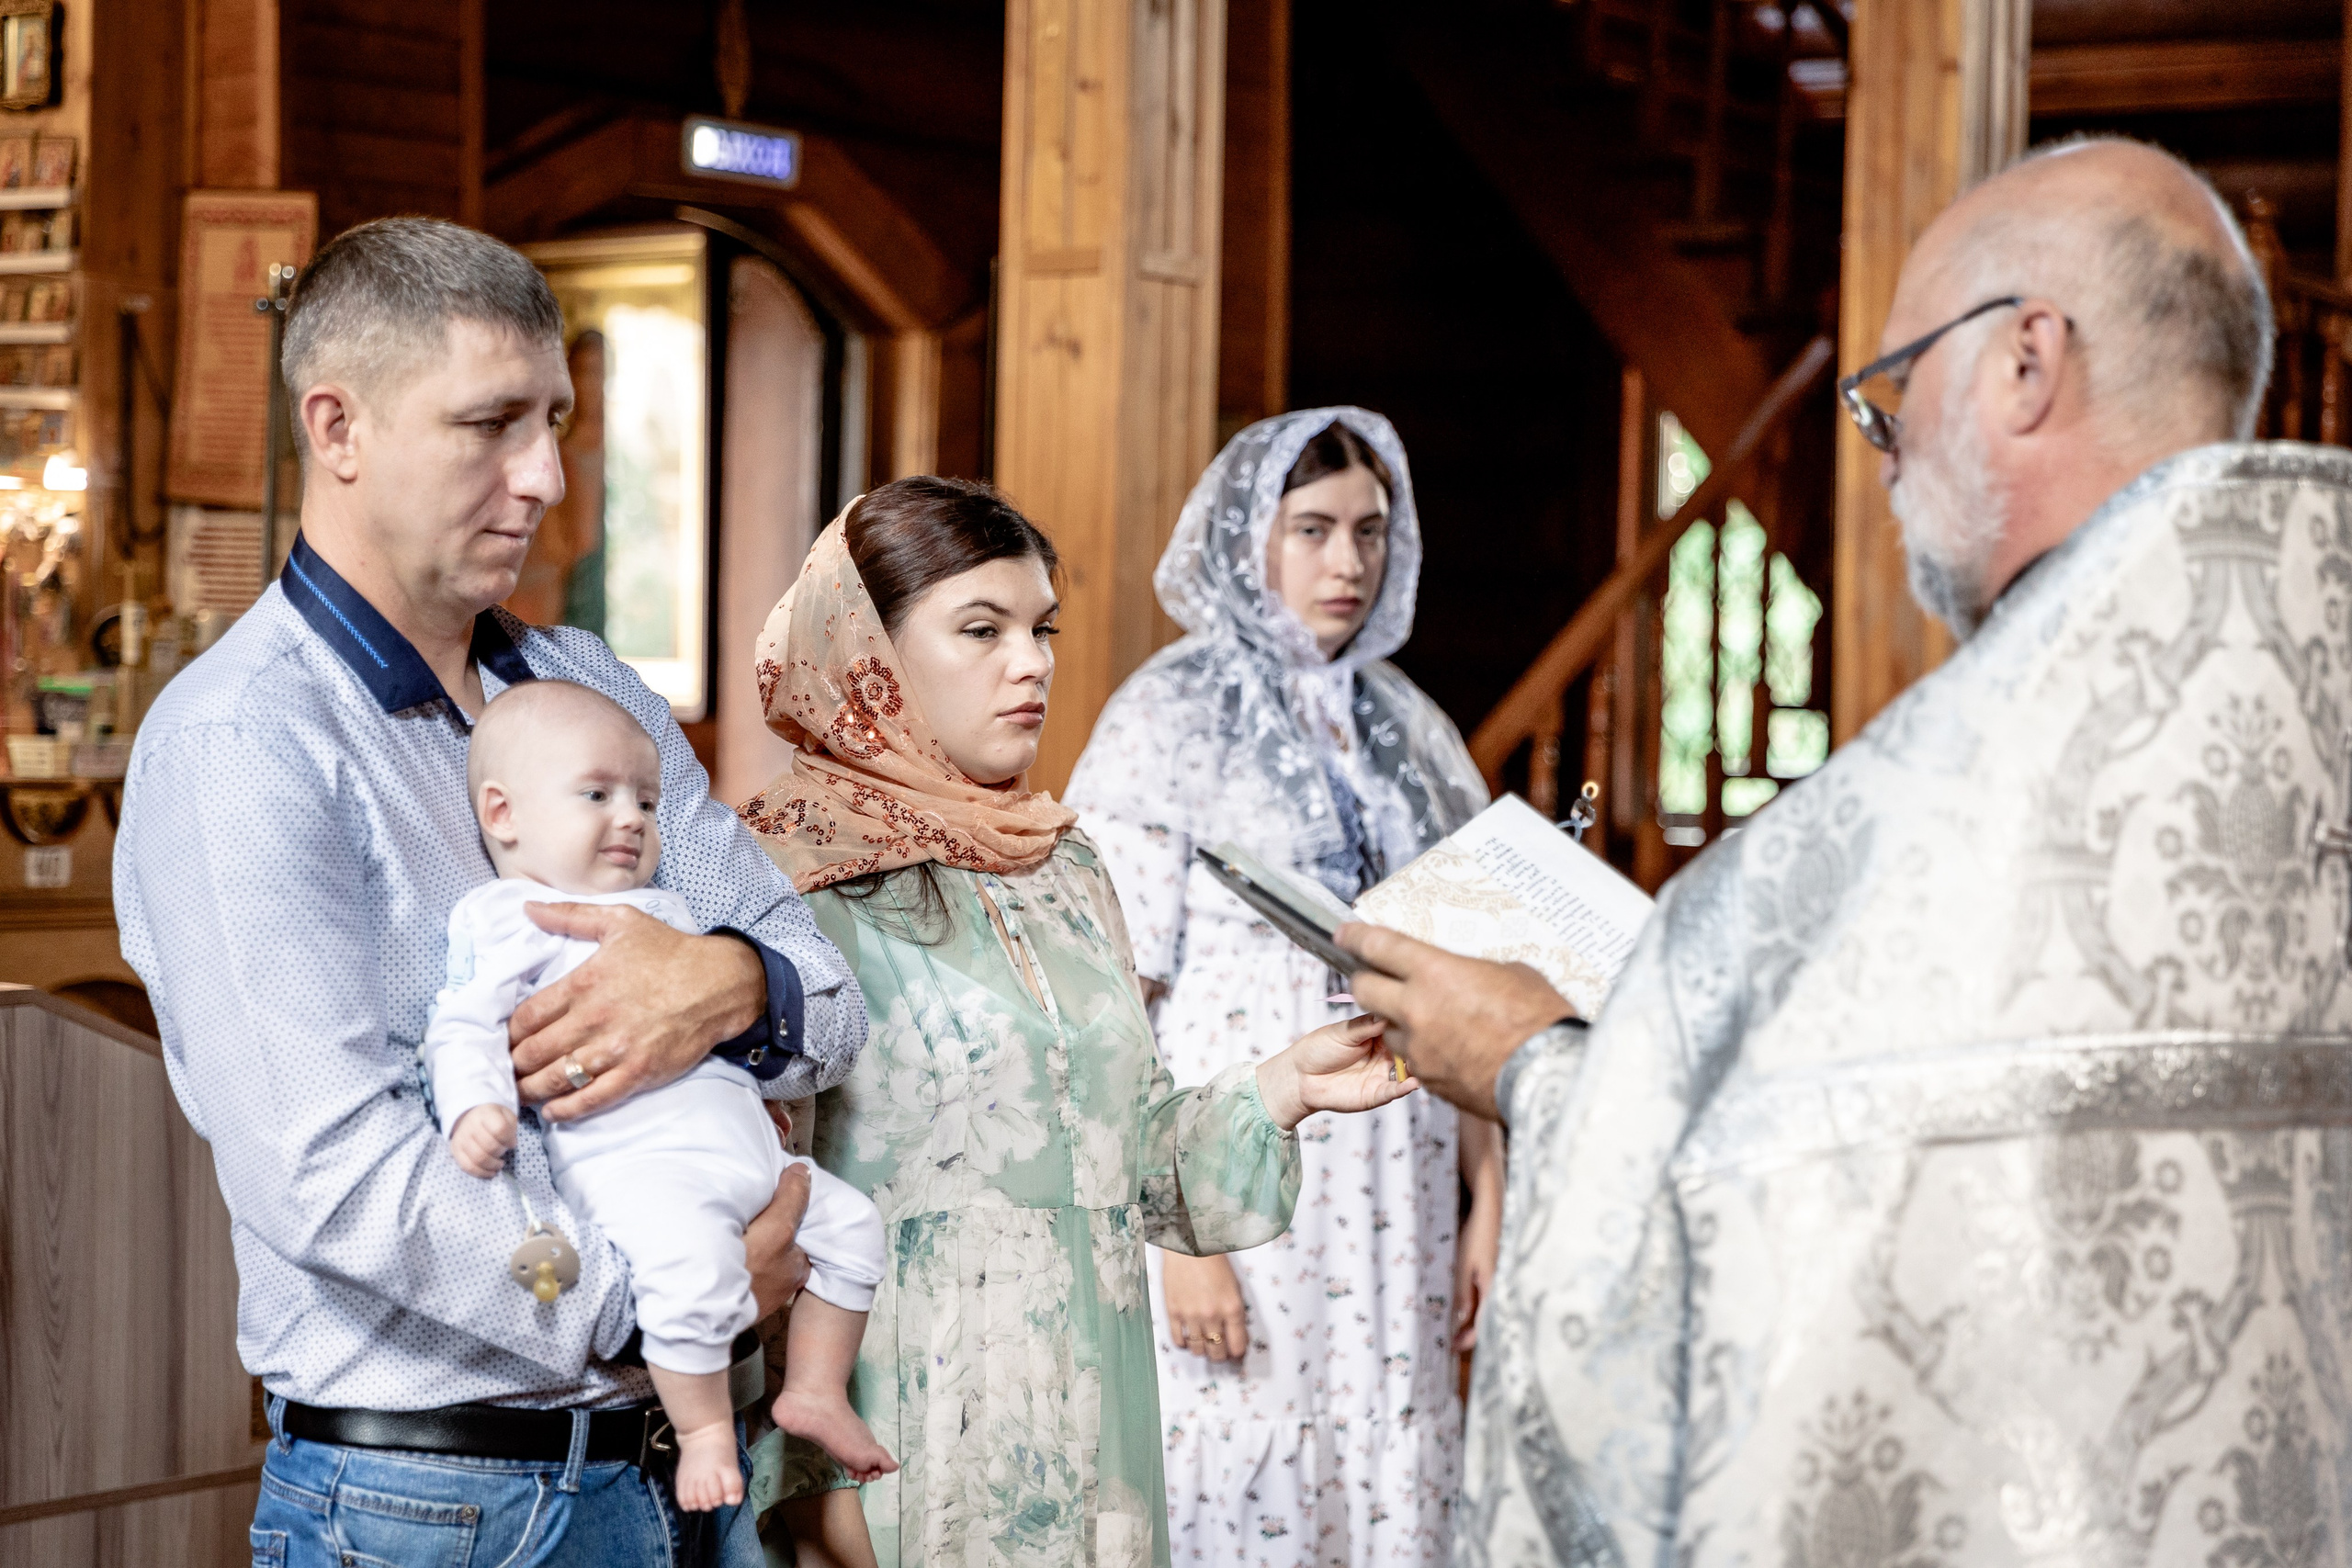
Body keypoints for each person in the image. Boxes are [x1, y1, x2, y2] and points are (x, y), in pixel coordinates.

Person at [1341, 137, 2352, 1564]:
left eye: (1887, 400)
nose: (1875, 461)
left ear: (2023, 362)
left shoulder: (1873, 852)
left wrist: (1526, 1065)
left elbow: (1673, 1308)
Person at [113, 216, 865, 1566]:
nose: (543, 477)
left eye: (559, 422)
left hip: (689, 1470)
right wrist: (650, 1303)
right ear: (336, 427)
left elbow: (826, 987)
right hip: (437, 1508)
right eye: (489, 423)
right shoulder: (244, 740)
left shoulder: (587, 679)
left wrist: (732, 981)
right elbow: (334, 1177)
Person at [736, 477, 1423, 1568]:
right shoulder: (778, 874)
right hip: (895, 1453)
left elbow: (1134, 1153)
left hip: (1094, 1437)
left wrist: (1284, 1085)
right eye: (982, 629)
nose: (1034, 662)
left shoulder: (1064, 864)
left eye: (1041, 629)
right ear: (867, 654)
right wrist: (803, 1493)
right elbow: (749, 1212)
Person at [1063, 408, 1498, 1563]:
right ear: (1247, 541)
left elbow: (1455, 982)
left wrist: (1484, 1195)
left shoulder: (1409, 728)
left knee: (1388, 1455)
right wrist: (1181, 1238)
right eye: (1311, 530)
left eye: (1369, 529)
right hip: (1244, 1171)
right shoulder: (1168, 714)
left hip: (1398, 1184)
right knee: (1238, 1452)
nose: (1347, 562)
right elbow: (1109, 1000)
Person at [424, 679, 894, 1510]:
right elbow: (462, 1023)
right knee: (691, 1275)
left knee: (855, 1228)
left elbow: (792, 1002)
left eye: (645, 798)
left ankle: (817, 1389)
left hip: (750, 1154)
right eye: (597, 795)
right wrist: (477, 1106)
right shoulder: (506, 917)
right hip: (644, 1171)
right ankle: (707, 1434)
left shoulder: (667, 904)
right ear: (504, 815)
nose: (634, 817)